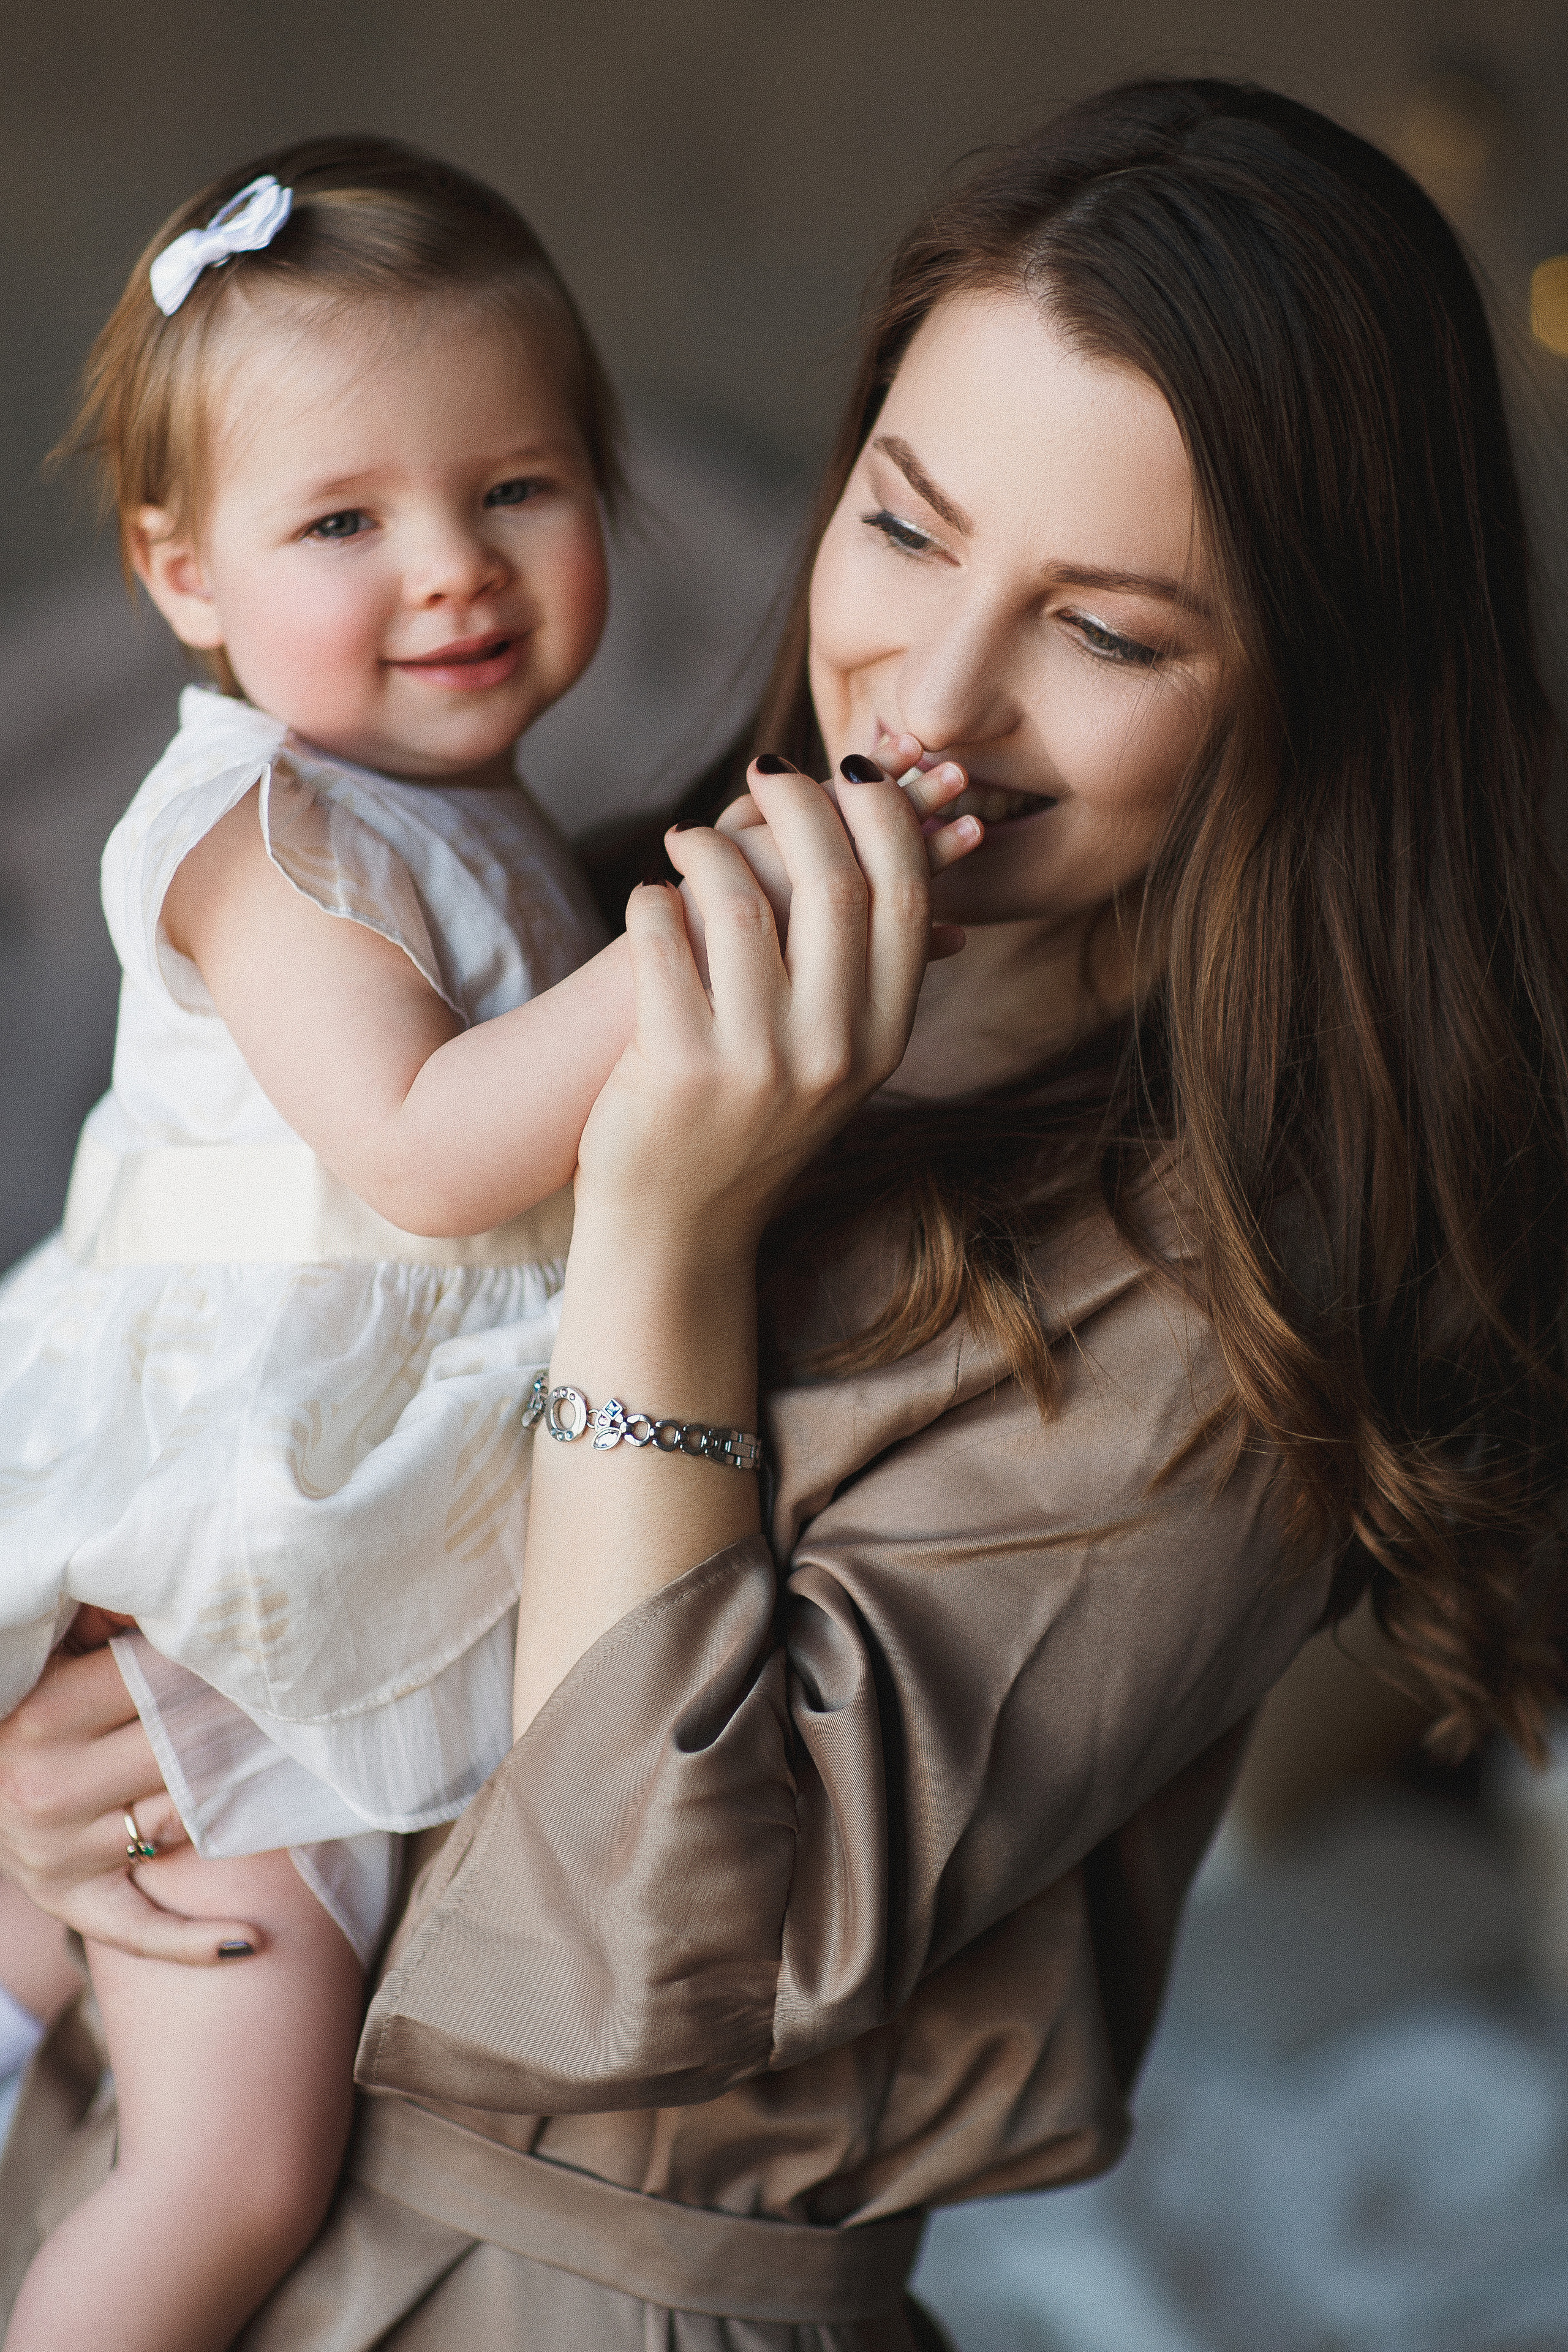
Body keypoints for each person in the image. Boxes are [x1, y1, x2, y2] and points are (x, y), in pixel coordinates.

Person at [2, 76, 1565, 2350]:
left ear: (1310, 695)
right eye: (907, 530)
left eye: (1108, 636)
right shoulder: (587, 934)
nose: (929, 699)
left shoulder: (1231, 1312)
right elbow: (258, 1429)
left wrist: (660, 1237)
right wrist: (67, 1778)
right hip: (128, 2180)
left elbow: (635, 1970)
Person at [0, 136, 978, 2352]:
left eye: (517, 490)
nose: (449, 569)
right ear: (183, 573)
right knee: (232, 2173)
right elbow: (434, 1151)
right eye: (343, 522)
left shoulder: (479, 816)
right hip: (227, 1611)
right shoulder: (259, 834)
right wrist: (715, 929)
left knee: (95, 2009)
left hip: (362, 1577)